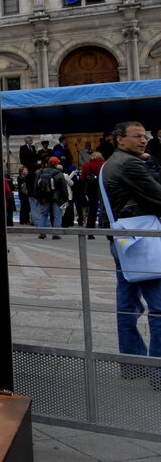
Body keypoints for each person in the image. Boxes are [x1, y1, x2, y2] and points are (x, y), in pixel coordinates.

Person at [99, 121, 161, 368]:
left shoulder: (110, 163)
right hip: (141, 241)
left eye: (144, 136)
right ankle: (157, 372)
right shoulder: (130, 163)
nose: (143, 140)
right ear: (119, 139)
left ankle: (132, 364)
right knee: (158, 308)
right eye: (136, 136)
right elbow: (157, 197)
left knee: (127, 305)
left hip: (124, 239)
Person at [35, 157, 68, 239]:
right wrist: (65, 199)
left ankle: (42, 233)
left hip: (44, 196)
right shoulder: (58, 173)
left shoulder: (41, 172)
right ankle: (56, 234)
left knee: (43, 214)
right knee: (57, 215)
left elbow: (36, 186)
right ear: (56, 164)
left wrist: (37, 197)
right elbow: (64, 188)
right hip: (56, 197)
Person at [81, 151, 107, 238]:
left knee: (92, 209)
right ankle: (105, 226)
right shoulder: (103, 164)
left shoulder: (86, 164)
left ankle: (90, 231)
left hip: (90, 188)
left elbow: (82, 178)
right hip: (101, 187)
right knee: (104, 207)